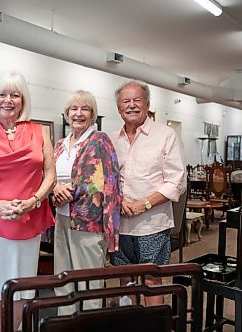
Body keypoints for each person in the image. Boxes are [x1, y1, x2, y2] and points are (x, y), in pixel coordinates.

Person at [0, 71, 56, 332]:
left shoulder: (39, 132)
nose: (8, 100)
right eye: (2, 94)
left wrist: (33, 201)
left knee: (24, 289)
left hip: (28, 220)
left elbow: (49, 174)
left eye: (15, 94)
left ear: (23, 100)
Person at [110, 80, 187, 305]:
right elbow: (107, 180)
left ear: (147, 104)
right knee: (125, 278)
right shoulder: (111, 139)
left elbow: (177, 181)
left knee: (152, 280)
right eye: (126, 101)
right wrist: (120, 199)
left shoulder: (166, 135)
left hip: (152, 224)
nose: (132, 105)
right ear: (118, 107)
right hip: (121, 224)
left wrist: (144, 203)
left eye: (137, 100)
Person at [52, 90, 120, 314]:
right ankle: (65, 326)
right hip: (61, 219)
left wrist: (71, 191)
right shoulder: (60, 145)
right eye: (74, 108)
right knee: (63, 281)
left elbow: (109, 182)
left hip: (88, 223)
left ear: (93, 115)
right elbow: (49, 176)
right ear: (66, 113)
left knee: (88, 285)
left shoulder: (100, 140)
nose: (78, 114)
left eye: (85, 109)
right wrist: (55, 189)